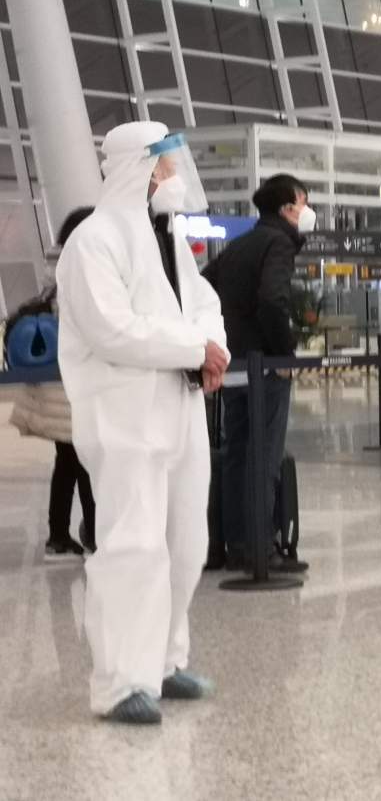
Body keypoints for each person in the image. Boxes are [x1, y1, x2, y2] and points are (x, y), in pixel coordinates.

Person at [55, 121, 229, 725]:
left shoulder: (168, 239)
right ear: (139, 167)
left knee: (185, 543)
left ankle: (163, 661)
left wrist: (211, 349)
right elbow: (112, 329)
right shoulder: (94, 240)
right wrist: (195, 349)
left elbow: (204, 305)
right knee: (133, 546)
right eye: (166, 164)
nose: (174, 174)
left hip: (179, 409)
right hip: (125, 417)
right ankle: (120, 683)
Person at [203, 174, 314, 573]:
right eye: (303, 203)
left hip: (234, 364)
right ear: (287, 209)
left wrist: (224, 336)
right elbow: (271, 300)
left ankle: (236, 545)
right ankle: (260, 549)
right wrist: (283, 355)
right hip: (264, 365)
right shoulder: (278, 243)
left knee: (238, 453)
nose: (307, 212)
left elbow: (204, 287)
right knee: (263, 456)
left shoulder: (239, 245)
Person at [8, 207, 97, 557]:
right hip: (72, 386)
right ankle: (93, 535)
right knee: (85, 462)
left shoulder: (56, 266)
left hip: (55, 385)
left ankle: (59, 535)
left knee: (69, 462)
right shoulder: (82, 268)